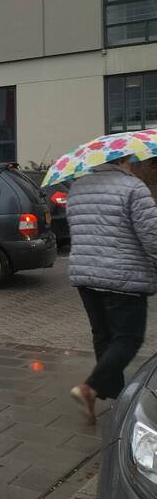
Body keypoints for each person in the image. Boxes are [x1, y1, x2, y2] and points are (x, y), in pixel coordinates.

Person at [67, 156, 157, 422]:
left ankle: (116, 400)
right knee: (128, 338)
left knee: (104, 337)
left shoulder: (78, 187)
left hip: (85, 275)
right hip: (123, 277)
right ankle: (89, 388)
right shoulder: (133, 188)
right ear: (126, 160)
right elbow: (152, 235)